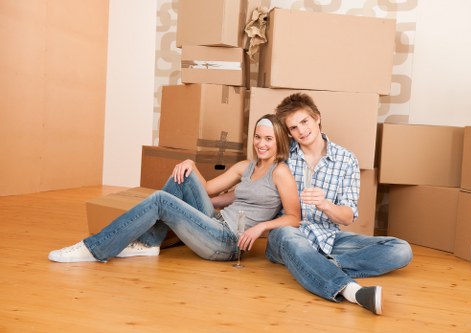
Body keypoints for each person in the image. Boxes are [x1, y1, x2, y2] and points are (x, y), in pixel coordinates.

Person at [48, 114, 301, 263]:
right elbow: (208, 189)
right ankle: (149, 244)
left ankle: (94, 249)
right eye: (258, 137)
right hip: (215, 221)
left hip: (228, 242)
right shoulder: (246, 166)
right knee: (183, 177)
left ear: (278, 141)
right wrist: (190, 163)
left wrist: (262, 227)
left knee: (160, 200)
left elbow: (294, 218)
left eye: (268, 139)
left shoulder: (280, 172)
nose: (261, 143)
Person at [264, 93, 413, 315]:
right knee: (286, 234)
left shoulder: (346, 160)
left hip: (329, 238)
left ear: (317, 118)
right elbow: (258, 190)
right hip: (289, 234)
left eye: (304, 122)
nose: (301, 131)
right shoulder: (283, 157)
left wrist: (325, 204)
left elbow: (347, 217)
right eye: (294, 128)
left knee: (401, 250)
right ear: (289, 132)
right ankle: (352, 291)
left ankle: (315, 264)